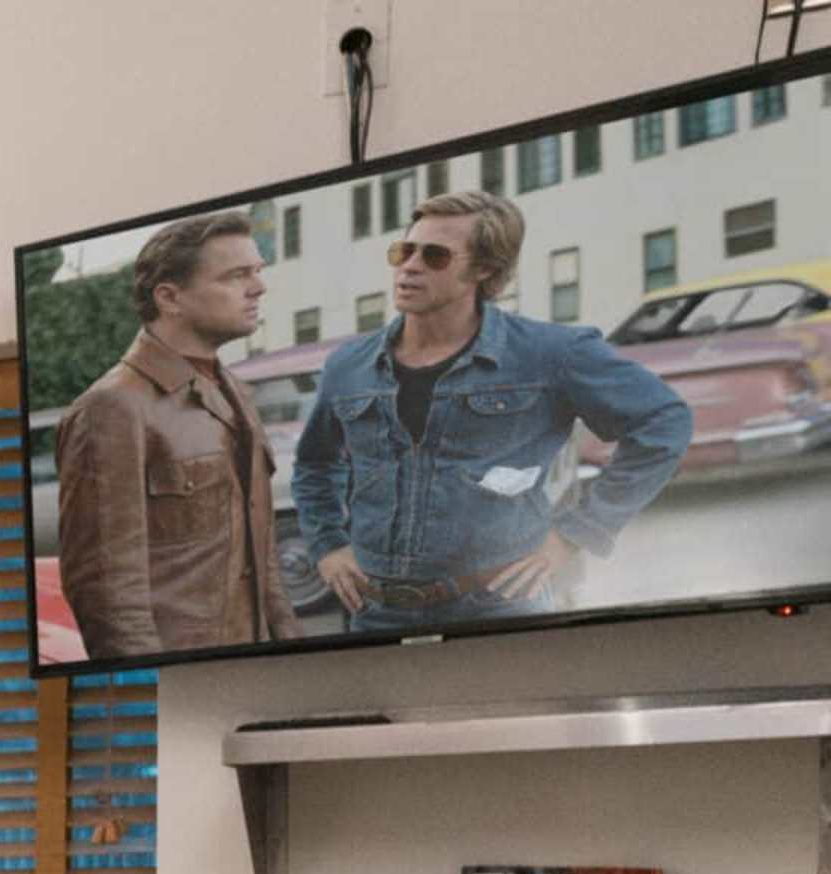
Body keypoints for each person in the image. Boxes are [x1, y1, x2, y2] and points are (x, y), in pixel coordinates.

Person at [291, 190, 691, 636]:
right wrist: (327, 546)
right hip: (376, 613)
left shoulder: (551, 353)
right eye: (404, 250)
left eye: (435, 256)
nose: (410, 266)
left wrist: (575, 535)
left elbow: (665, 423)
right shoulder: (348, 365)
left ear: (484, 269)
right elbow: (315, 463)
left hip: (501, 608)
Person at [55, 212, 298, 660]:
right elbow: (108, 593)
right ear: (169, 297)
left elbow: (262, 566)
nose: (258, 287)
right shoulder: (113, 407)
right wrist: (155, 693)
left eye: (257, 272)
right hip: (188, 693)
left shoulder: (236, 394)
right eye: (236, 275)